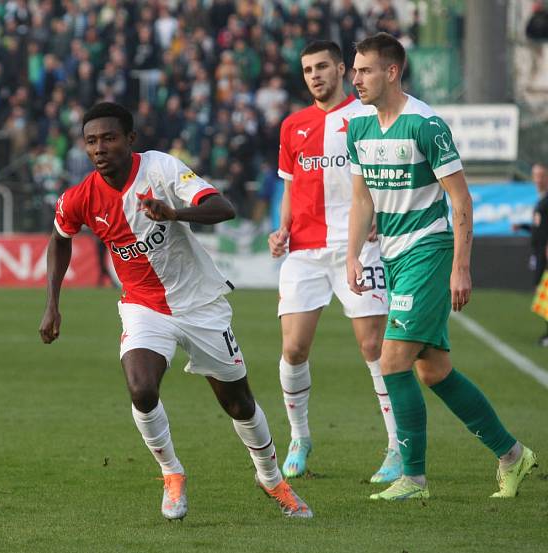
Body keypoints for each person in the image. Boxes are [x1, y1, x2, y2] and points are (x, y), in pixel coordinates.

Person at [39, 102, 312, 520]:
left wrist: (174, 212)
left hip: (200, 304)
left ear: (130, 140)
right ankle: (172, 474)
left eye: (109, 138)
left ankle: (271, 478)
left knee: (239, 403)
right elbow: (60, 238)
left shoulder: (161, 169)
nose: (99, 148)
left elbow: (223, 207)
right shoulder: (80, 197)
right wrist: (52, 304)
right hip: (143, 306)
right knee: (141, 388)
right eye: (91, 141)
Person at [346, 32, 536, 501]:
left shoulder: (425, 124)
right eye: (355, 69)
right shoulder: (358, 128)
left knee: (392, 361)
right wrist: (353, 254)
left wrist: (461, 267)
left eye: (365, 70)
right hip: (392, 256)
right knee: (434, 371)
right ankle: (513, 455)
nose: (356, 79)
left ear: (392, 71)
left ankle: (414, 478)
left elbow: (461, 198)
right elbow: (360, 198)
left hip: (429, 252)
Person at [268, 40, 401, 482]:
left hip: (358, 247)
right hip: (305, 251)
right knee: (293, 348)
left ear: (342, 69)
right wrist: (282, 228)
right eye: (307, 69)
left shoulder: (366, 117)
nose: (314, 75)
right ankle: (300, 437)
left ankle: (396, 446)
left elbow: (384, 175)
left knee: (373, 347)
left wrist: (381, 216)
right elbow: (289, 186)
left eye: (322, 66)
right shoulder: (292, 126)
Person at [513, 163, 548, 345]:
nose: (538, 179)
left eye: (541, 175)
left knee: (545, 294)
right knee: (542, 294)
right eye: (535, 175)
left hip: (545, 255)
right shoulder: (541, 200)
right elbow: (539, 228)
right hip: (539, 253)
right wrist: (523, 226)